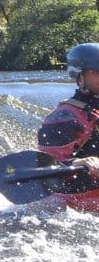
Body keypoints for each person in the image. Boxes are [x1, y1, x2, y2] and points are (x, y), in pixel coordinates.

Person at [38, 42, 99, 181]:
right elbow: (47, 166)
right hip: (79, 185)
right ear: (80, 76)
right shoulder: (64, 118)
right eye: (97, 72)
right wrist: (80, 163)